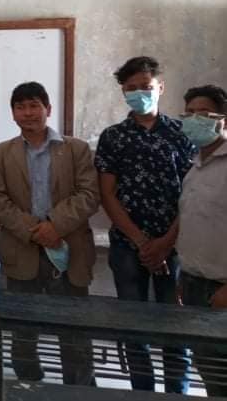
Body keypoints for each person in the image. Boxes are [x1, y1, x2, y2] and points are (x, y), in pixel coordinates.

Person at [95, 56, 195, 393]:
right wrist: (141, 242)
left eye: (146, 87)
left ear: (160, 87)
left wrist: (166, 242)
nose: (140, 93)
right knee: (133, 326)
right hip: (128, 246)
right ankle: (142, 393)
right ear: (123, 92)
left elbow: (193, 193)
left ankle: (176, 393)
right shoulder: (113, 137)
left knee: (175, 326)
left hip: (177, 246)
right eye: (132, 88)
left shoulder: (183, 133)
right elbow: (107, 195)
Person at [0, 81, 98, 386]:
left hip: (69, 251)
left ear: (47, 109)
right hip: (22, 252)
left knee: (75, 333)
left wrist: (54, 225)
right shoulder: (1, 153)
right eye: (20, 107)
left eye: (34, 105)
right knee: (23, 335)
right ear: (13, 113)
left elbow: (89, 195)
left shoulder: (75, 149)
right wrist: (35, 231)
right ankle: (30, 387)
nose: (28, 113)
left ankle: (79, 391)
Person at [176, 84, 227, 397]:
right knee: (210, 371)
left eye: (204, 113)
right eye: (190, 113)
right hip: (195, 283)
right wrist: (185, 275)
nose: (195, 119)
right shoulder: (195, 167)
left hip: (222, 289)